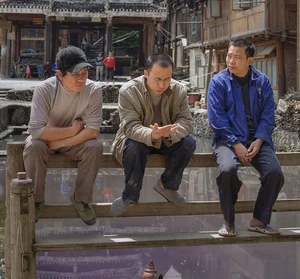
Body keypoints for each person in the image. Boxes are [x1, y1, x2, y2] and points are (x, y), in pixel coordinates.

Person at [208, 38, 284, 237]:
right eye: (229, 56)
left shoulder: (262, 81)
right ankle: (229, 222)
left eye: (237, 57)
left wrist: (259, 141)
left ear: (250, 60)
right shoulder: (218, 82)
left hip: (256, 139)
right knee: (227, 170)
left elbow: (268, 116)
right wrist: (236, 144)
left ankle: (259, 220)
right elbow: (217, 119)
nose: (231, 61)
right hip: (226, 139)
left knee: (275, 172)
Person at [23, 46, 103, 224]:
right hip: (45, 140)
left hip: (71, 143)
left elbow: (93, 130)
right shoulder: (44, 89)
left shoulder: (93, 89)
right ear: (60, 74)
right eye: (76, 74)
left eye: (84, 73)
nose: (81, 79)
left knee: (94, 147)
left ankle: (81, 199)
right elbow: (36, 131)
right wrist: (72, 130)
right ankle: (36, 200)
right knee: (34, 146)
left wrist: (60, 142)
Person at [110, 53, 196, 216]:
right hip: (138, 139)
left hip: (168, 137)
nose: (162, 84)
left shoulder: (179, 90)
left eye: (167, 79)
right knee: (134, 147)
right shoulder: (128, 91)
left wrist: (170, 132)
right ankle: (130, 196)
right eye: (157, 79)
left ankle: (167, 185)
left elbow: (187, 121)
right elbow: (129, 126)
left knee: (189, 144)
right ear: (146, 74)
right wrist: (151, 133)